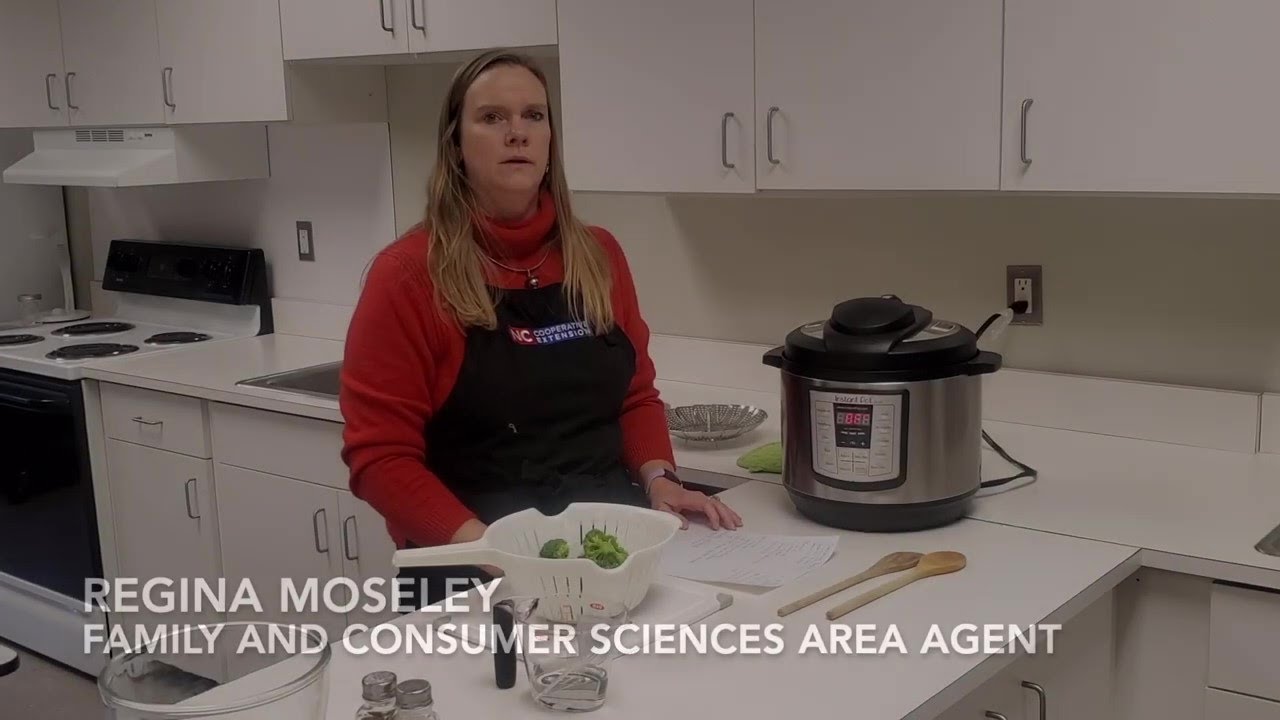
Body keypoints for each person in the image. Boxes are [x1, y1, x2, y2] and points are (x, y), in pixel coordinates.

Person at [339, 49, 743, 609]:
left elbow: (634, 396)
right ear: (455, 144)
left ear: (551, 140)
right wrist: (498, 552)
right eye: (492, 118)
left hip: (610, 561)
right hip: (475, 574)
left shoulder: (597, 256)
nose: (517, 133)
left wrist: (660, 479)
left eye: (534, 116)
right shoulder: (408, 275)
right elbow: (380, 461)